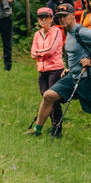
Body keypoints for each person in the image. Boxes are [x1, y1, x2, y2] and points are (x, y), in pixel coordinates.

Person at [32, 8, 91, 156]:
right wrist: (69, 67)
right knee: (48, 96)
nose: (62, 19)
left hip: (88, 78)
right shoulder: (68, 33)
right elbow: (74, 53)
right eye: (59, 17)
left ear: (72, 16)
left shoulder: (82, 32)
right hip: (72, 76)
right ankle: (36, 130)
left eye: (65, 16)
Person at [24, 7, 66, 137]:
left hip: (55, 69)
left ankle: (57, 127)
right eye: (40, 17)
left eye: (46, 17)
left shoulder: (56, 31)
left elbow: (51, 50)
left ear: (51, 18)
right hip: (42, 69)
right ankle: (51, 124)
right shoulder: (37, 34)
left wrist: (39, 53)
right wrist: (41, 54)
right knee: (44, 96)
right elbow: (32, 53)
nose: (43, 19)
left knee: (53, 98)